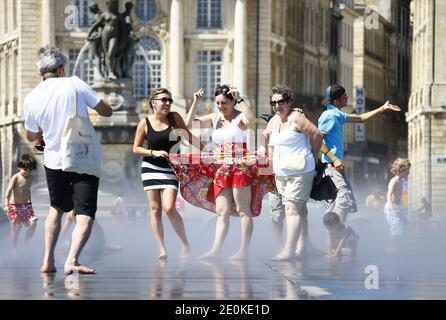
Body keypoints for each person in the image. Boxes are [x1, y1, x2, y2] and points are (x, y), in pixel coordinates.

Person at [23, 45, 113, 274]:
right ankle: (72, 259)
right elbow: (106, 111)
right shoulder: (74, 83)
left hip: (54, 160)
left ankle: (48, 261)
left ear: (40, 72)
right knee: (84, 213)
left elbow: (31, 135)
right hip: (82, 157)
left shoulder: (31, 97)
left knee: (56, 208)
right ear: (61, 68)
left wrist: (44, 133)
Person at [172, 85, 276, 260]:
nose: (220, 106)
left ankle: (243, 250)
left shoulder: (239, 118)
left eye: (224, 103)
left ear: (232, 101)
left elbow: (251, 120)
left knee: (243, 210)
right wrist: (196, 102)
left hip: (239, 167)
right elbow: (188, 125)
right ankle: (215, 250)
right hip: (221, 167)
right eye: (218, 103)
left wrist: (241, 100)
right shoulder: (215, 118)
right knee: (222, 210)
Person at [318, 84, 401, 223]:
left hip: (335, 166)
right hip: (332, 166)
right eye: (344, 96)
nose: (347, 97)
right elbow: (317, 140)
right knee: (344, 200)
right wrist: (334, 159)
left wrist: (382, 108)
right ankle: (338, 233)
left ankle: (334, 237)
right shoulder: (329, 116)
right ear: (337, 101)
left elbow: (361, 118)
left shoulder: (337, 115)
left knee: (336, 203)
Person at [133, 88, 198, 260]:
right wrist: (153, 153)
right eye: (164, 100)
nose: (168, 103)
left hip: (170, 168)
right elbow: (136, 148)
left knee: (169, 207)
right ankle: (162, 248)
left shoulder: (174, 118)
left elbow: (189, 136)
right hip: (150, 168)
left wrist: (207, 151)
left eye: (169, 100)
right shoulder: (144, 123)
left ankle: (185, 243)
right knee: (155, 209)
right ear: (153, 102)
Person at [264, 85, 323, 261]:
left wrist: (313, 156)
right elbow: (266, 137)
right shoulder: (274, 121)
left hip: (300, 169)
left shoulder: (296, 117)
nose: (276, 106)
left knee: (291, 208)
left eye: (280, 102)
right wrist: (268, 157)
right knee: (296, 209)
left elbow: (317, 134)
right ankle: (303, 247)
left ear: (289, 102)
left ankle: (289, 250)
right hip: (281, 171)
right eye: (273, 102)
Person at [4, 154, 38, 248]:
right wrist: (6, 205)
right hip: (14, 206)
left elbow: (28, 190)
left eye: (29, 170)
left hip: (25, 205)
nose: (27, 172)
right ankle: (13, 248)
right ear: (19, 167)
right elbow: (8, 192)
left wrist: (30, 203)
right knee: (17, 227)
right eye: (25, 170)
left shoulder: (31, 178)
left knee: (33, 223)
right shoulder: (16, 177)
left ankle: (25, 244)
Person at [385, 158, 410, 254]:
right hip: (391, 207)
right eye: (407, 171)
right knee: (396, 231)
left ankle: (395, 248)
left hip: (397, 207)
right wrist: (391, 207)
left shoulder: (401, 181)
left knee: (403, 228)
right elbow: (389, 194)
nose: (409, 173)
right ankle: (389, 249)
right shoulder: (394, 181)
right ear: (401, 170)